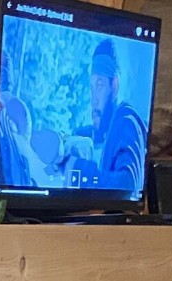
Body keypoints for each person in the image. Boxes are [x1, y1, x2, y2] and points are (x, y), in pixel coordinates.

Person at [56, 39, 146, 195]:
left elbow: (128, 186)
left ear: (115, 86)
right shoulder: (102, 131)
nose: (93, 99)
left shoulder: (126, 121)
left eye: (99, 85)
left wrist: (75, 167)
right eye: (91, 87)